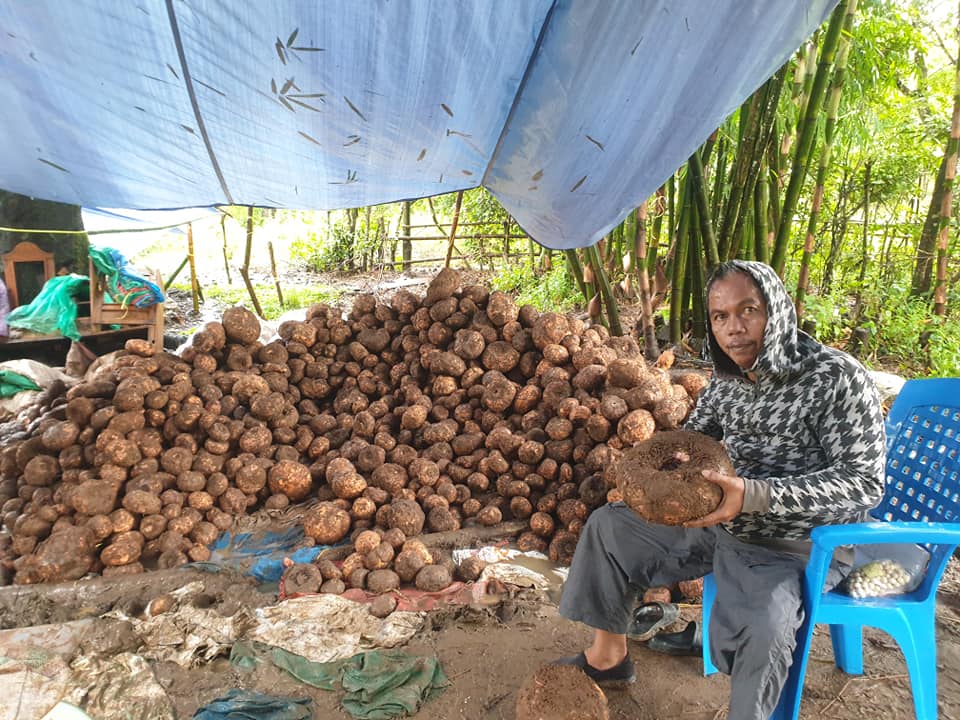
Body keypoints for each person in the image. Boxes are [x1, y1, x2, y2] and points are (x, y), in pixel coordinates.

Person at [556, 260, 886, 720]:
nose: (734, 329)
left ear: (779, 309)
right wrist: (649, 474)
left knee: (764, 625)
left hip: (794, 545)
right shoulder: (728, 380)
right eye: (720, 316)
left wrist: (755, 494)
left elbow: (864, 481)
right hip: (721, 521)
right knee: (610, 528)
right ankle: (608, 658)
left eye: (748, 310)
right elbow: (694, 442)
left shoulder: (835, 378)